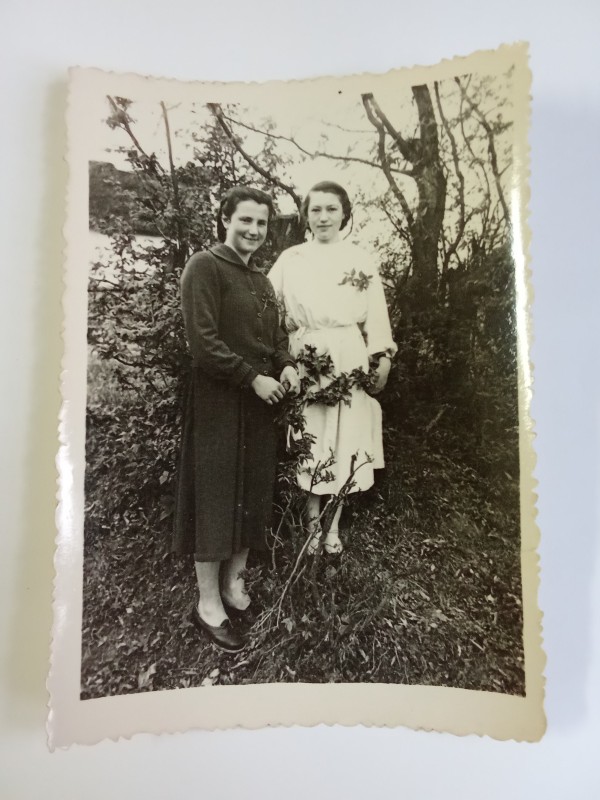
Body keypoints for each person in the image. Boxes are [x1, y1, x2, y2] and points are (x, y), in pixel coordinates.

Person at [173, 186, 300, 652]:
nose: (254, 230)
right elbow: (203, 344)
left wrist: (286, 364)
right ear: (225, 218)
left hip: (259, 403)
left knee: (252, 491)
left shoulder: (262, 281)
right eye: (245, 219)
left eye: (262, 223)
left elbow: (275, 337)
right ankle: (207, 604)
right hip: (219, 402)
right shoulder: (203, 266)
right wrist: (252, 378)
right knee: (215, 496)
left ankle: (233, 586)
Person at [268, 181, 396, 554]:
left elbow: (376, 313)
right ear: (305, 216)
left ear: (344, 214)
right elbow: (266, 307)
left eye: (331, 209)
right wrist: (278, 354)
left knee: (344, 437)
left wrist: (383, 356)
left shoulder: (360, 258)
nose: (323, 217)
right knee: (311, 435)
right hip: (305, 356)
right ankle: (311, 527)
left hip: (348, 355)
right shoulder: (291, 259)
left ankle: (333, 526)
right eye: (316, 210)